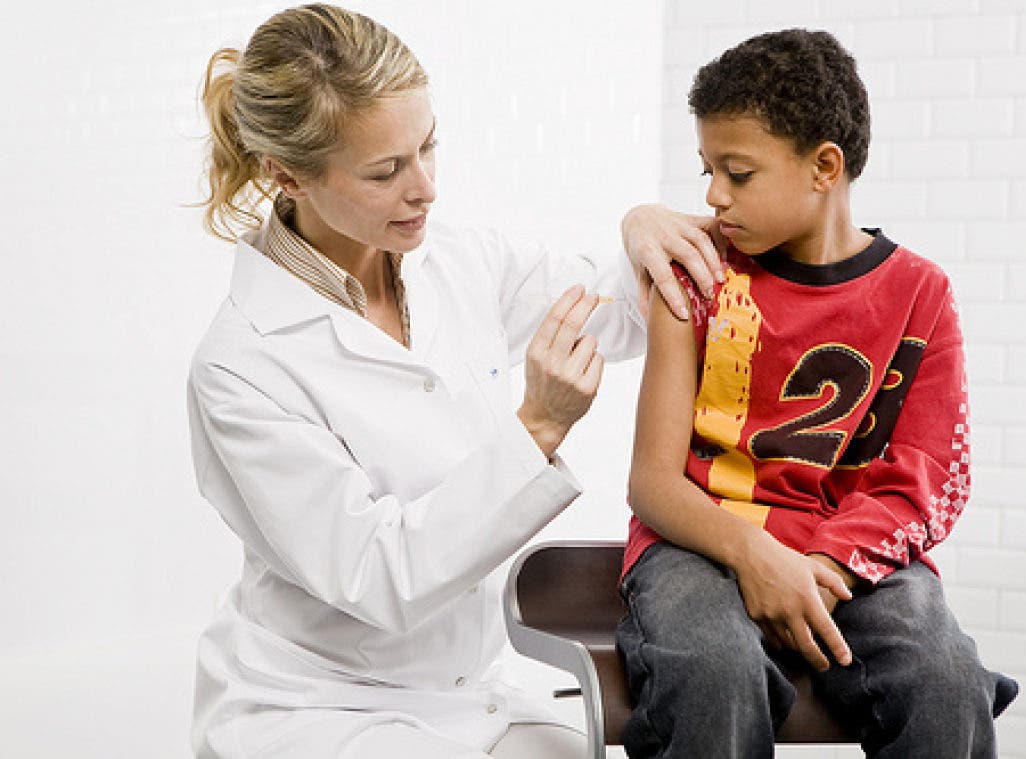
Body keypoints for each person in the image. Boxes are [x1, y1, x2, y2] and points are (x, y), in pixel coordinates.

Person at [187, 5, 720, 758]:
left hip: (466, 695)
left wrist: (640, 230)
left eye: (428, 146)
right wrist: (537, 426)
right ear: (285, 173)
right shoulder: (241, 365)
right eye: (385, 171)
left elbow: (619, 310)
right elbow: (380, 576)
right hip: (319, 707)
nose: (425, 188)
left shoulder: (459, 263)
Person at [617, 29, 1018, 759]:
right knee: (715, 671)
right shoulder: (697, 275)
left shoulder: (920, 293)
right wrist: (753, 554)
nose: (712, 195)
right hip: (697, 542)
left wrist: (825, 569)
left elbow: (927, 478)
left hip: (850, 555)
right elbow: (652, 481)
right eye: (707, 169)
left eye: (738, 173)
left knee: (946, 684)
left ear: (824, 167)